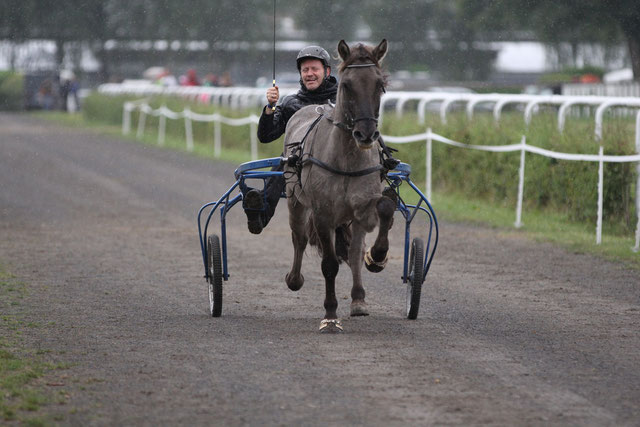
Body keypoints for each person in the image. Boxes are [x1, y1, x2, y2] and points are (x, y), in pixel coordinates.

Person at [243, 45, 338, 234]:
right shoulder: (290, 103)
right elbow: (266, 136)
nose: (309, 74)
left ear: (326, 71)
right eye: (305, 70)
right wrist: (270, 107)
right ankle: (259, 214)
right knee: (284, 160)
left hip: (335, 163)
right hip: (297, 163)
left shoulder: (341, 101)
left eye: (314, 69)